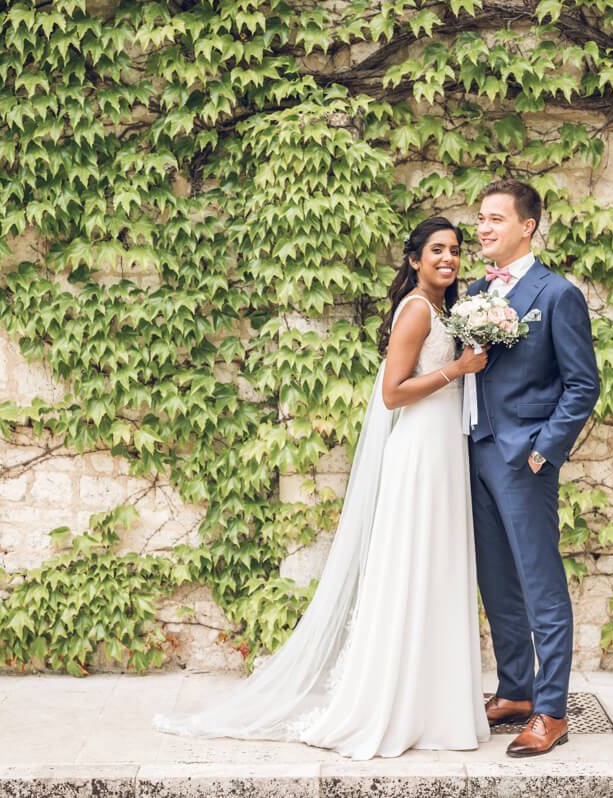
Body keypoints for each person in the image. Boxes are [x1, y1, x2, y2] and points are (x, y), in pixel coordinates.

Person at [153, 217, 490, 759]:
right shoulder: (416, 311)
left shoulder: (447, 311)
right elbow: (392, 394)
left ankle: (434, 706)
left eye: (454, 251)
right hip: (420, 455)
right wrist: (460, 369)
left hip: (444, 451)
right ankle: (394, 706)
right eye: (436, 251)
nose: (448, 259)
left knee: (437, 570)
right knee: (413, 569)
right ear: (413, 260)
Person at [464, 179, 600, 757]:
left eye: (496, 218)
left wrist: (545, 448)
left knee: (541, 585)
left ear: (529, 227)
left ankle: (551, 710)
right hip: (474, 450)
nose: (484, 228)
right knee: (495, 581)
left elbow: (582, 383)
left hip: (525, 459)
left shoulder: (558, 293)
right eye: (480, 218)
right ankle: (515, 690)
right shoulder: (473, 291)